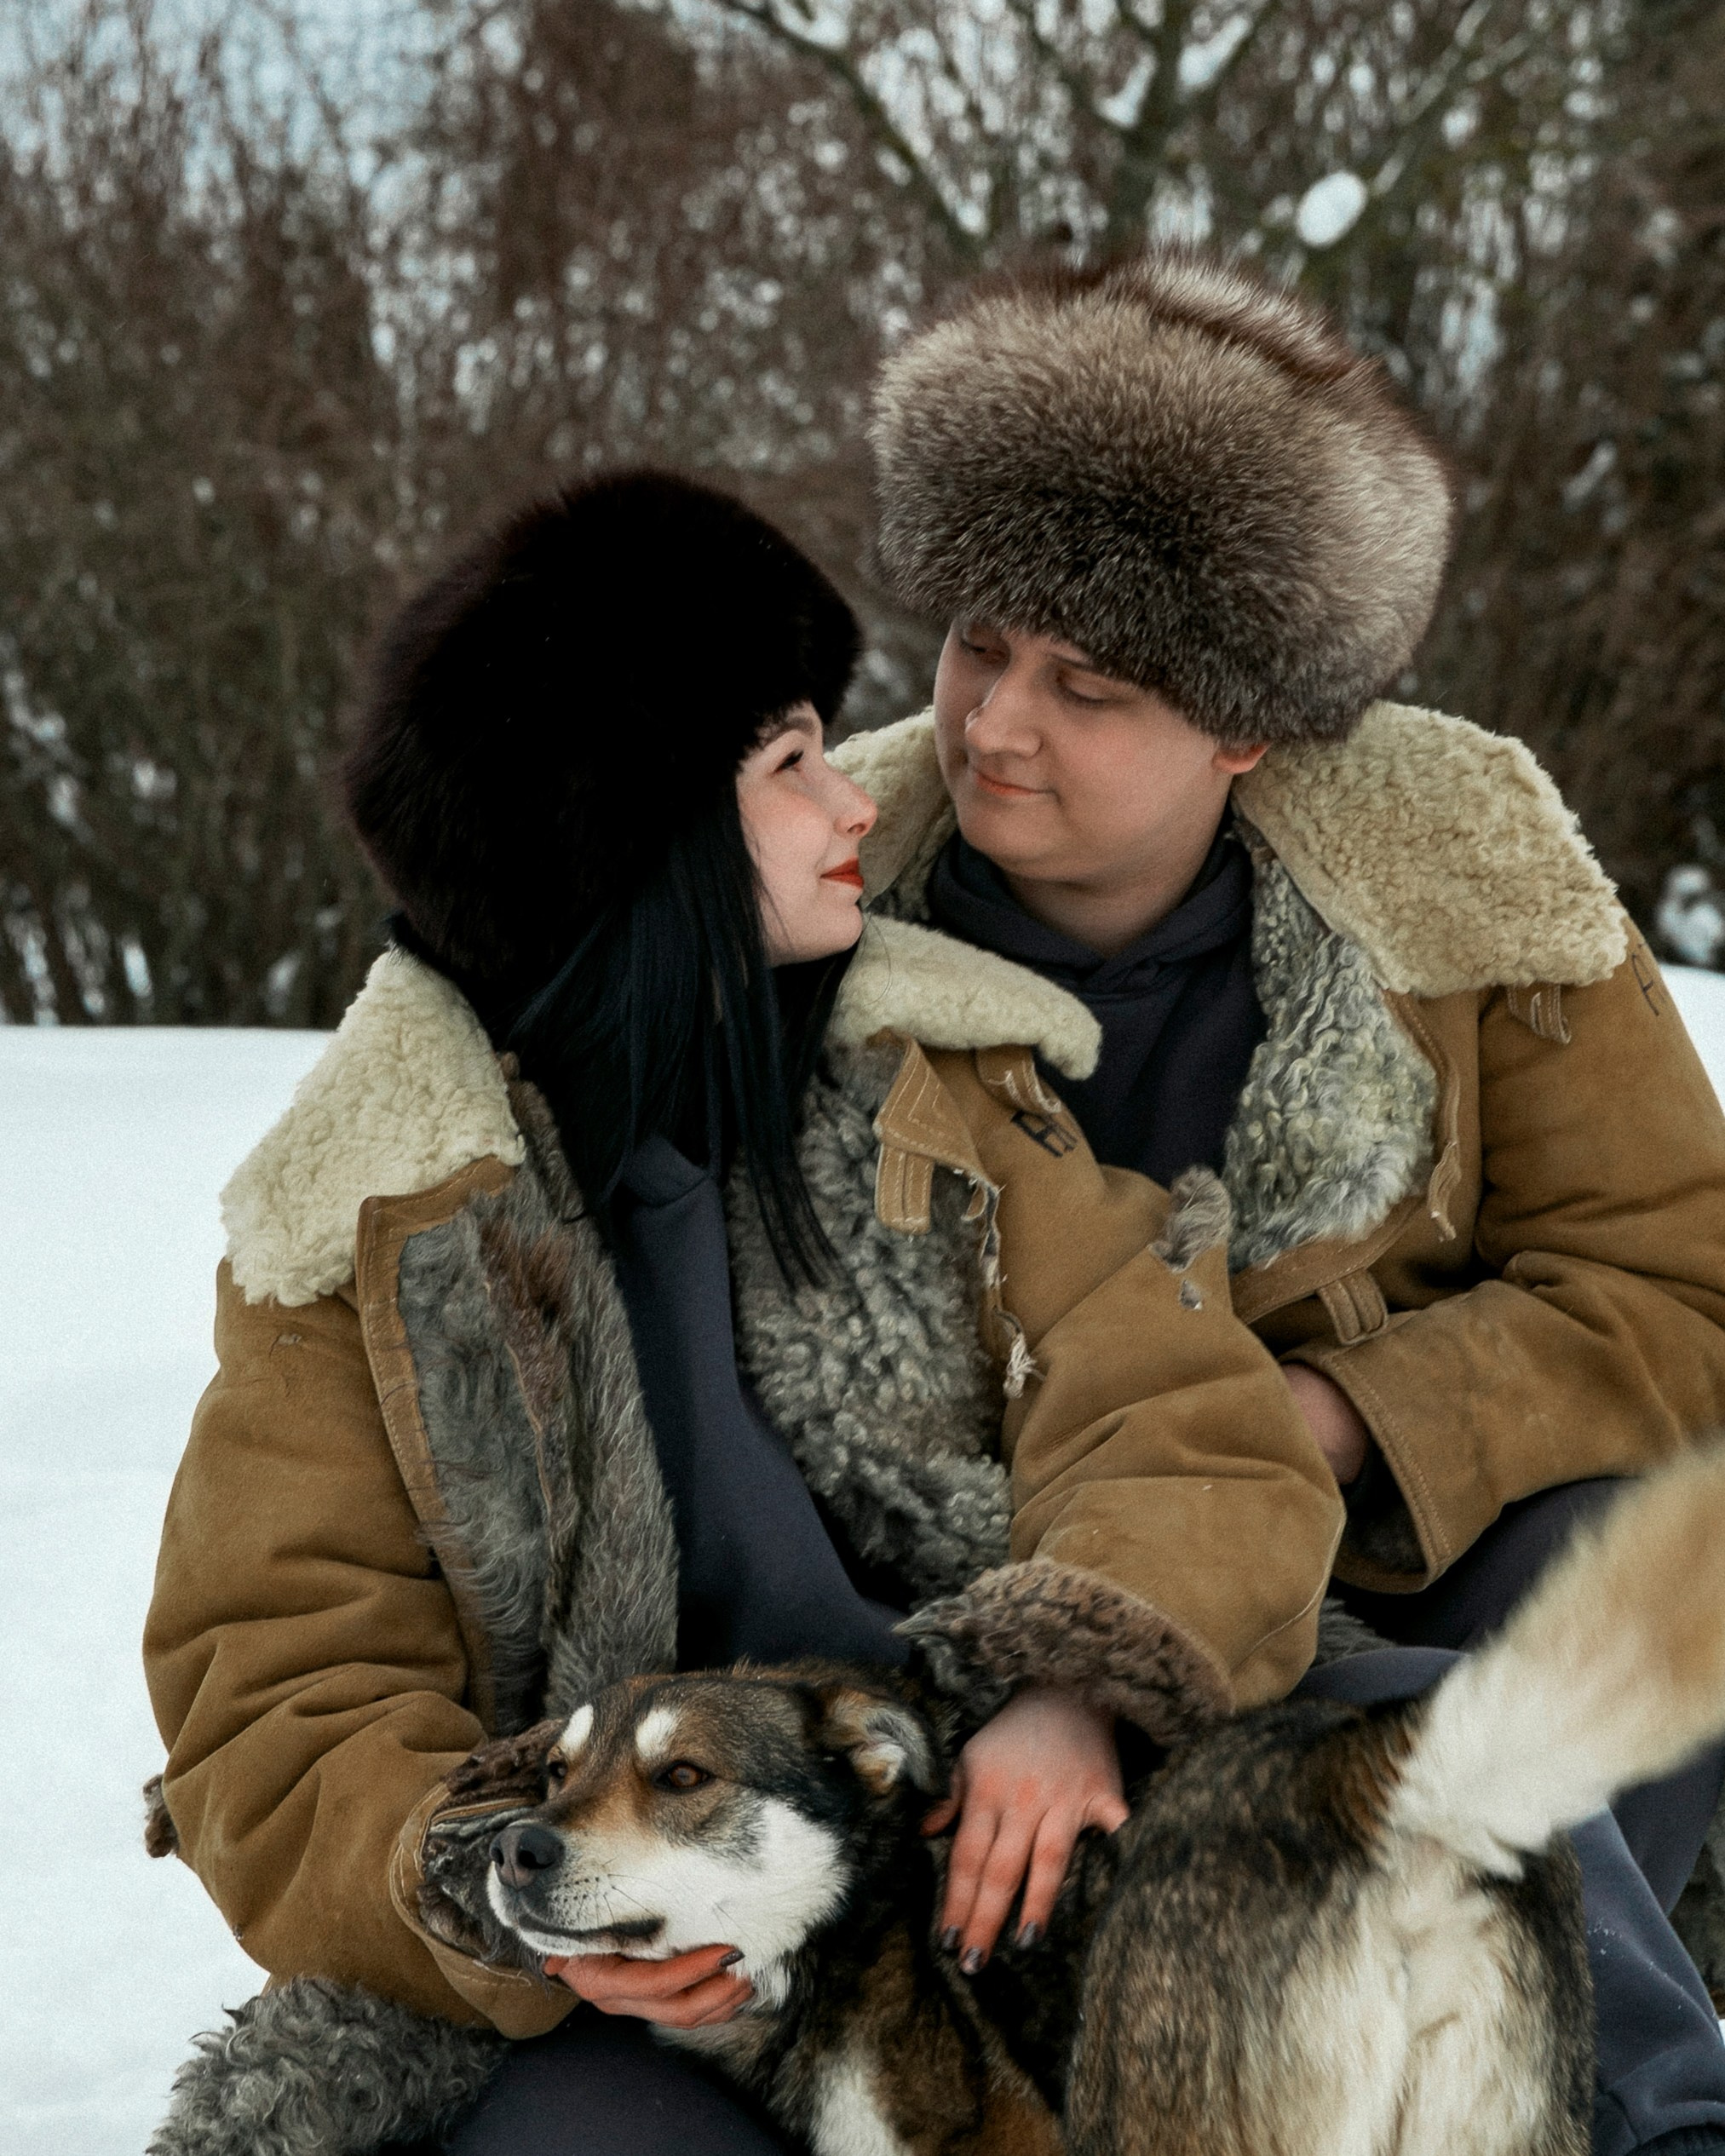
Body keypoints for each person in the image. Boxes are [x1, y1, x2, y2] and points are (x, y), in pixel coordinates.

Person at [144, 468, 1329, 2156]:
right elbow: (275, 1693)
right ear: (653, 840)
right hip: (632, 1964)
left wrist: (1080, 1677)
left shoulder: (945, 1097)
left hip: (985, 1844)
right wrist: (517, 1876)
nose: (850, 796)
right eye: (785, 766)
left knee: (1457, 1828)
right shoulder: (367, 1227)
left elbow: (1179, 1417)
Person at [825, 249, 1725, 2156]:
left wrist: (1326, 1418)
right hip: (987, 1601)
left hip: (1390, 1552)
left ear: (1248, 726)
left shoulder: (1464, 887)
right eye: (978, 644)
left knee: (1639, 1549)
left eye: (1089, 686)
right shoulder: (821, 907)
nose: (994, 724)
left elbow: (1672, 1288)